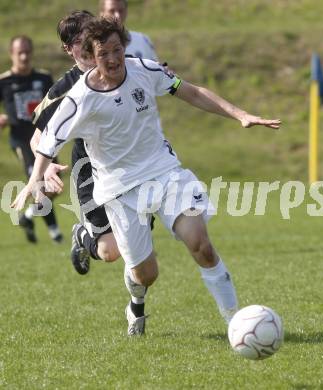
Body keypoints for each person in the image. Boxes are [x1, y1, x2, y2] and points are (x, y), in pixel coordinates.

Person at [12, 17, 281, 336]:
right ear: (89, 55)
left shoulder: (145, 69)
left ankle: (235, 322)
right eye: (103, 54)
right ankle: (135, 303)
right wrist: (35, 179)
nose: (112, 59)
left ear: (124, 47)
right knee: (144, 273)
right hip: (118, 188)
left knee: (201, 245)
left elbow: (191, 92)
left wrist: (240, 114)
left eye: (117, 50)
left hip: (163, 173)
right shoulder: (77, 98)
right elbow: (46, 140)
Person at [31, 9, 158, 276]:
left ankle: (137, 305)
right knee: (110, 252)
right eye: (78, 41)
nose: (87, 43)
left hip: (133, 164)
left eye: (90, 34)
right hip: (90, 168)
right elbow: (38, 139)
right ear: (68, 49)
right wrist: (48, 166)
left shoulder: (123, 65)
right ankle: (82, 235)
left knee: (136, 246)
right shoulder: (63, 90)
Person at [0, 35, 63, 243]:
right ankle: (55, 234)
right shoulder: (4, 82)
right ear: (12, 54)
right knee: (39, 184)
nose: (24, 56)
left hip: (44, 139)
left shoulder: (44, 78)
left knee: (54, 185)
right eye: (20, 52)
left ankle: (27, 217)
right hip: (21, 140)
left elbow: (57, 105)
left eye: (27, 51)